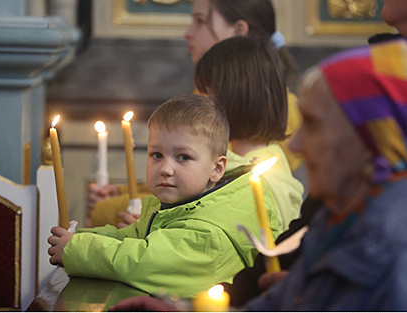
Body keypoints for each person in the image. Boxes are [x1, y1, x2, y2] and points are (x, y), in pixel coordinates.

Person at [110, 36, 407, 312]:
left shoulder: (391, 251)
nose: (298, 144)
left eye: (313, 124)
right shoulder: (334, 216)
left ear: (368, 140)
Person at [86, 0, 303, 228]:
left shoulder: (272, 116)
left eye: (200, 21)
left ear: (238, 31)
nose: (188, 33)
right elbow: (187, 178)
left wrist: (109, 210)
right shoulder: (212, 95)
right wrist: (122, 193)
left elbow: (204, 195)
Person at [48, 94, 281, 298]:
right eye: (156, 155)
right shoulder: (179, 203)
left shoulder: (210, 233)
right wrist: (77, 235)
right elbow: (129, 236)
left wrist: (75, 249)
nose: (165, 168)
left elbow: (144, 261)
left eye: (183, 157)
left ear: (217, 169)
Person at [194, 35, 304, 234]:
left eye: (205, 95)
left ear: (233, 98)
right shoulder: (271, 162)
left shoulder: (249, 177)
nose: (199, 105)